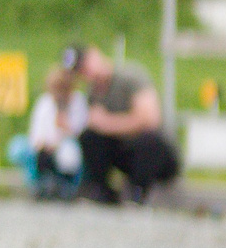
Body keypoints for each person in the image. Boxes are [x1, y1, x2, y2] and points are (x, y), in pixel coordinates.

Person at [72, 43, 181, 205]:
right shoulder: (93, 93)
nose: (85, 72)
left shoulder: (130, 77)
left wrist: (107, 123)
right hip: (128, 153)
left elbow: (150, 119)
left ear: (95, 55)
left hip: (158, 156)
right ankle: (100, 190)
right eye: (79, 70)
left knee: (148, 140)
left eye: (85, 65)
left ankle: (138, 191)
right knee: (90, 137)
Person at [13, 55, 88, 199]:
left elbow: (80, 131)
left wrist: (65, 128)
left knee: (68, 154)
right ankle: (40, 184)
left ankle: (68, 185)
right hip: (45, 148)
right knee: (33, 152)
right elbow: (37, 131)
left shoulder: (78, 102)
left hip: (66, 147)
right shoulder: (45, 103)